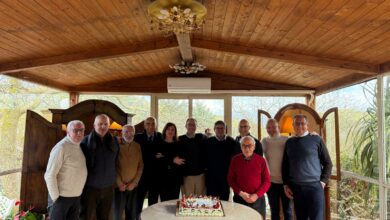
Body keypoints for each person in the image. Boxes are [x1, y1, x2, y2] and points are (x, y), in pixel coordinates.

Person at [282, 114, 333, 220]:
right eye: (297, 123)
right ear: (293, 125)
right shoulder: (289, 142)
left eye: (302, 123)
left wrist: (322, 182)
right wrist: (286, 185)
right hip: (296, 188)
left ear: (307, 125)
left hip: (314, 187)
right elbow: (285, 165)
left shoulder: (316, 139)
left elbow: (328, 163)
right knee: (301, 218)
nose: (300, 126)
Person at [44, 120, 87, 220]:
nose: (79, 133)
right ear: (68, 132)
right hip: (60, 198)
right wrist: (56, 198)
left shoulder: (79, 146)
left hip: (75, 197)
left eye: (81, 130)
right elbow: (49, 175)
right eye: (75, 130)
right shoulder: (61, 147)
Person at [80, 114, 120, 220]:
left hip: (108, 188)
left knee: (104, 217)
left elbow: (115, 162)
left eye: (105, 124)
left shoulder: (115, 142)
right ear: (94, 125)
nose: (103, 127)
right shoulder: (84, 142)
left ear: (109, 125)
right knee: (86, 216)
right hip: (90, 188)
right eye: (100, 124)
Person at [228, 136, 270, 219]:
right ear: (241, 147)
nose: (247, 148)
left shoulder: (261, 160)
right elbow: (230, 179)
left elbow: (267, 181)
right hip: (240, 198)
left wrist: (256, 195)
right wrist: (240, 193)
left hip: (257, 199)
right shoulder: (235, 160)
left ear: (254, 147)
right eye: (244, 145)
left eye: (250, 145)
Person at [261, 119, 293, 220]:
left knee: (288, 210)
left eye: (274, 127)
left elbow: (300, 139)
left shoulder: (287, 140)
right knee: (274, 211)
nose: (271, 130)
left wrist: (312, 134)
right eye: (268, 128)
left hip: (286, 183)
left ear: (278, 127)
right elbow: (253, 150)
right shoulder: (264, 141)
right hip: (271, 183)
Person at [150, 122, 185, 203]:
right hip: (162, 178)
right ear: (165, 131)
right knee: (164, 202)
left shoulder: (179, 144)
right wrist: (172, 160)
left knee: (173, 202)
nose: (170, 131)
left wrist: (164, 157)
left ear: (175, 132)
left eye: (172, 129)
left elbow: (180, 161)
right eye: (168, 129)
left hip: (175, 178)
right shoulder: (159, 143)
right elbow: (157, 159)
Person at [134, 117, 162, 216]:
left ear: (156, 125)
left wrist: (163, 156)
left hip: (155, 176)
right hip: (141, 176)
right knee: (138, 203)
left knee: (153, 203)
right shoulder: (137, 137)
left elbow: (165, 151)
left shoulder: (160, 136)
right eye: (148, 124)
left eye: (153, 124)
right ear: (145, 125)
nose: (150, 126)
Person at [114, 124, 143, 220]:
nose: (128, 134)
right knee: (117, 214)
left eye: (131, 132)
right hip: (119, 187)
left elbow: (141, 165)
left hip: (133, 187)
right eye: (126, 131)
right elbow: (113, 166)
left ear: (134, 133)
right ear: (121, 133)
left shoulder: (137, 146)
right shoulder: (116, 145)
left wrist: (134, 183)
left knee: (131, 214)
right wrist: (119, 183)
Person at [205, 120, 236, 201]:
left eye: (222, 128)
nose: (220, 130)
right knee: (210, 202)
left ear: (226, 129)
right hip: (211, 178)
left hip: (225, 179)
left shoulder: (231, 142)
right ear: (214, 129)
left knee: (224, 203)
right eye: (217, 128)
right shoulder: (208, 142)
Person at [179, 118, 207, 196]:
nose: (191, 126)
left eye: (193, 125)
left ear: (196, 126)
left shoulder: (202, 137)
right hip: (187, 176)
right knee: (188, 201)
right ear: (185, 126)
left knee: (201, 200)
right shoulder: (180, 139)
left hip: (200, 176)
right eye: (189, 124)